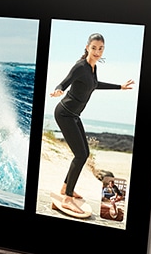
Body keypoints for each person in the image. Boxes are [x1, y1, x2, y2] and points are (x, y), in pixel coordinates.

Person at [48, 33, 134, 218]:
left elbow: (95, 84)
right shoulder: (80, 67)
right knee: (80, 155)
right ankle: (68, 199)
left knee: (84, 154)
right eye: (94, 47)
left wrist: (120, 87)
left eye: (100, 48)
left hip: (74, 115)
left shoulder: (92, 69)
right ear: (87, 47)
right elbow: (65, 82)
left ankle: (65, 188)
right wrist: (58, 90)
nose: (97, 51)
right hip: (64, 114)